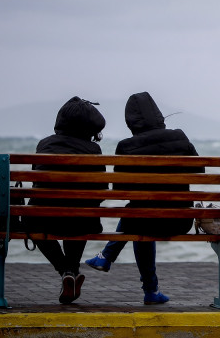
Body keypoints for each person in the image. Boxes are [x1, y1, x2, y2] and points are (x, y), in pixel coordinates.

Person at [85, 92, 203, 304]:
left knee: (137, 212)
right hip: (180, 220)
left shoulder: (126, 146)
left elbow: (120, 189)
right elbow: (199, 170)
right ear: (157, 113)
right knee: (139, 213)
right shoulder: (179, 136)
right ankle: (150, 290)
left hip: (143, 220)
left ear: (130, 120)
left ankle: (107, 257)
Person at [21, 96, 107, 304]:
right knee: (81, 215)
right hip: (82, 221)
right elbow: (101, 191)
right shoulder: (94, 151)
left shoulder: (44, 145)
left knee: (32, 222)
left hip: (44, 219)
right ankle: (70, 271)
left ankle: (65, 271)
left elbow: (36, 186)